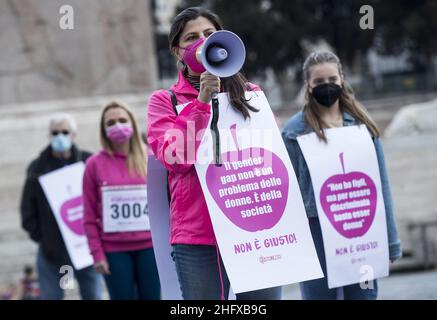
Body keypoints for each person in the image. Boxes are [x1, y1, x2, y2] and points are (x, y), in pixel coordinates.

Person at [147, 6, 281, 300]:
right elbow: (175, 160)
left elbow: (271, 159)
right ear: (177, 51)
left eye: (209, 34)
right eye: (192, 38)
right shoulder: (164, 102)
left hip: (255, 229)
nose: (203, 41)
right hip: (198, 239)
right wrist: (202, 103)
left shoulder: (252, 95)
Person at [281, 51, 402, 300]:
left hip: (360, 226)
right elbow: (288, 192)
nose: (327, 86)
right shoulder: (293, 131)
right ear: (308, 85)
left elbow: (381, 186)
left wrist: (390, 241)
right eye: (319, 82)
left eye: (332, 80)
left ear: (342, 79)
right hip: (316, 234)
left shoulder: (362, 125)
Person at [83, 101, 160, 300]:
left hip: (151, 249)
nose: (117, 125)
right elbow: (89, 214)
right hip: (114, 252)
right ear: (103, 129)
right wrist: (96, 254)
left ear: (132, 124)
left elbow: (165, 203)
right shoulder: (94, 164)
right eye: (111, 122)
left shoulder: (151, 157)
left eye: (122, 120)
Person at [20, 113, 102, 300]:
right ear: (49, 136)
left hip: (86, 248)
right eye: (55, 132)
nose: (59, 136)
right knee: (51, 296)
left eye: (64, 132)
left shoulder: (88, 161)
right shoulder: (37, 168)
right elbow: (27, 210)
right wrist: (44, 237)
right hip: (51, 251)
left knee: (93, 295)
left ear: (73, 134)